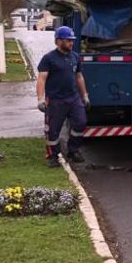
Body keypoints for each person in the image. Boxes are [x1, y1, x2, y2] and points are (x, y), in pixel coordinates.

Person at [36, 25, 89, 167]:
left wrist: (85, 95)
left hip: (73, 98)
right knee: (53, 130)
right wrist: (40, 99)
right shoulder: (49, 59)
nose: (71, 43)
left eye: (72, 40)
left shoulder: (75, 57)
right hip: (55, 100)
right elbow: (41, 79)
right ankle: (54, 155)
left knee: (81, 122)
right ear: (58, 41)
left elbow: (79, 77)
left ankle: (73, 150)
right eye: (68, 40)